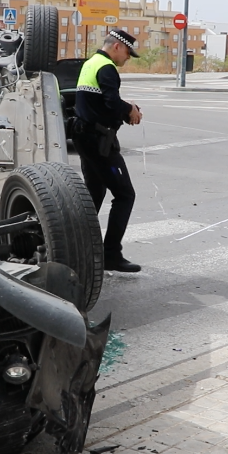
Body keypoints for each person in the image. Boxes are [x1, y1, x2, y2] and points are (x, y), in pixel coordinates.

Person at [72, 29, 143, 273]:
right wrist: (130, 110)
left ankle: (78, 249)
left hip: (85, 137)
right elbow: (112, 104)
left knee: (95, 193)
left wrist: (126, 108)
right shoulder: (107, 68)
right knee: (125, 195)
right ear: (116, 47)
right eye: (127, 52)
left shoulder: (91, 63)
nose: (128, 58)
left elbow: (99, 101)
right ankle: (111, 254)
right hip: (99, 142)